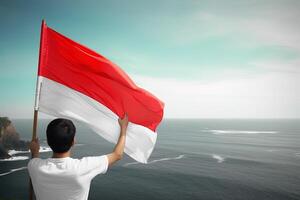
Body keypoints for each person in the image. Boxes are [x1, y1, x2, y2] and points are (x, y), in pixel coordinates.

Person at [28, 114, 128, 200]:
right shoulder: (82, 168)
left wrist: (35, 151)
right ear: (73, 142)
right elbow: (117, 154)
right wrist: (123, 129)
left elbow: (35, 159)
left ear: (48, 142)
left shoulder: (34, 166)